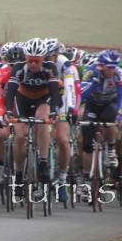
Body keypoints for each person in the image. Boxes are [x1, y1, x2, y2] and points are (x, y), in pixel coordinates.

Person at [5, 38, 59, 195]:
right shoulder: (18, 68)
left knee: (43, 119)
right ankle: (19, 173)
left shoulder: (51, 68)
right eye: (30, 60)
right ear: (25, 58)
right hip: (22, 99)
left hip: (42, 99)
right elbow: (11, 92)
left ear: (43, 59)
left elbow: (55, 93)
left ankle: (43, 162)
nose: (33, 64)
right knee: (20, 135)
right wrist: (8, 111)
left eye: (37, 60)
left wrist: (54, 111)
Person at [44, 38, 80, 203]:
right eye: (47, 56)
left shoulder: (65, 64)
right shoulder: (39, 63)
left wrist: (71, 108)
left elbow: (70, 87)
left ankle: (63, 179)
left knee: (64, 140)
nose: (49, 59)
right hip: (44, 99)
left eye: (52, 55)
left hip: (62, 100)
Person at [80, 50, 122, 191]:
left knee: (110, 119)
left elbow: (121, 96)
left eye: (114, 66)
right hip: (92, 106)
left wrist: (119, 114)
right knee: (87, 142)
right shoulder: (90, 73)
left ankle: (110, 149)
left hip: (110, 104)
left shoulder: (118, 74)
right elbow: (82, 96)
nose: (112, 69)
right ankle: (86, 178)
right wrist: (93, 84)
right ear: (101, 66)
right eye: (109, 67)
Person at [0, 42, 25, 184]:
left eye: (18, 64)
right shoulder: (1, 74)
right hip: (3, 104)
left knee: (22, 137)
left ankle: (22, 167)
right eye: (11, 65)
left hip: (21, 105)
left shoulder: (28, 72)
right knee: (0, 134)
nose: (15, 68)